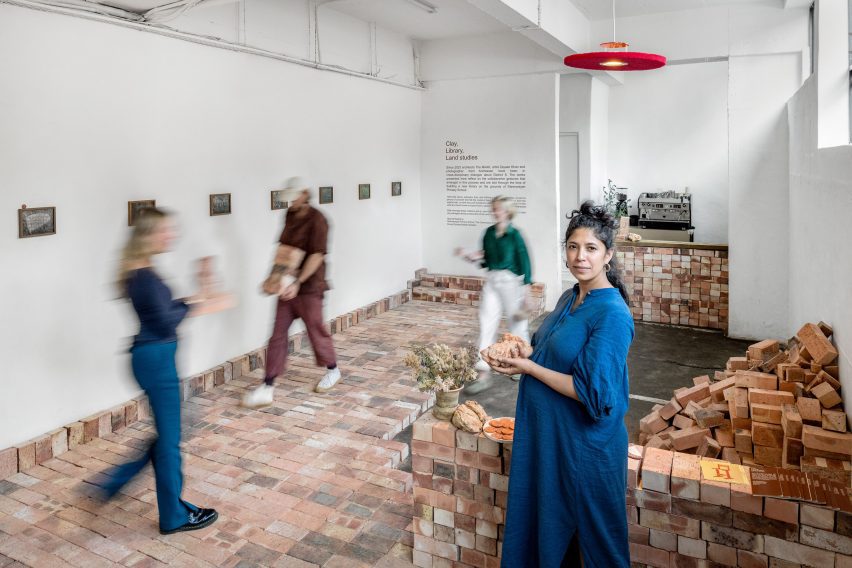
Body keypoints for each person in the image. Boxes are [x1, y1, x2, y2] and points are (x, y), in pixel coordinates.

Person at [490, 201, 634, 567]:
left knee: (600, 549)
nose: (580, 256)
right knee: (550, 541)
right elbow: (550, 349)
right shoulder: (570, 297)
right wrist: (523, 350)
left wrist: (527, 367)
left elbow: (591, 393)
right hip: (549, 442)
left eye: (591, 248)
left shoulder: (612, 313)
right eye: (573, 247)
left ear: (608, 255)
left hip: (583, 453)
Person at [104, 208, 219, 535]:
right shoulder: (143, 275)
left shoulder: (141, 270)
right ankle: (174, 516)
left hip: (151, 357)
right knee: (170, 442)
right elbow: (167, 320)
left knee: (166, 437)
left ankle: (114, 482)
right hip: (156, 362)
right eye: (166, 230)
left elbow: (164, 313)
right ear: (149, 234)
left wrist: (191, 297)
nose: (172, 235)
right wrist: (195, 301)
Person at [242, 177, 340, 408]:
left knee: (316, 329)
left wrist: (298, 282)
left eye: (295, 196)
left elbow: (317, 256)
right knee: (277, 334)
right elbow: (284, 251)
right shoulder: (289, 215)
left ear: (305, 193)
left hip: (310, 287)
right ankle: (268, 385)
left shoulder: (319, 220)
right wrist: (273, 279)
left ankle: (333, 369)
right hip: (286, 286)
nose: (291, 202)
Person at [457, 196, 532, 384]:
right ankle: (483, 371)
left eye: (497, 208)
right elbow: (485, 262)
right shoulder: (488, 233)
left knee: (517, 323)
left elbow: (525, 263)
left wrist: (527, 290)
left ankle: (521, 364)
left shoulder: (515, 235)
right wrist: (469, 256)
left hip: (510, 282)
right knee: (486, 321)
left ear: (507, 211)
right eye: (493, 208)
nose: (494, 212)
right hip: (492, 280)